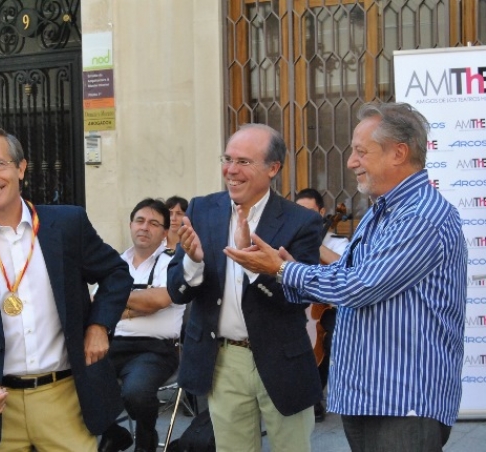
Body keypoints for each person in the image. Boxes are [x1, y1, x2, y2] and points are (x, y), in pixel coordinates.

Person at [224, 102, 467, 452]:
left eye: (360, 152)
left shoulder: (421, 216)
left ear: (398, 153)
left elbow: (360, 286)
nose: (351, 161)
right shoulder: (380, 212)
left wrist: (281, 269)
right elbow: (343, 272)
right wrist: (284, 266)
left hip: (404, 401)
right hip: (370, 396)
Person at [0, 126, 133, 452]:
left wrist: (99, 325)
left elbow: (116, 273)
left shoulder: (67, 225)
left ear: (20, 168)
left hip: (65, 399)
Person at [167, 124, 323, 452]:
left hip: (282, 358)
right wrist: (193, 262)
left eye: (244, 162)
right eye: (227, 159)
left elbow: (301, 298)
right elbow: (177, 291)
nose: (231, 170)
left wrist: (257, 268)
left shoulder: (301, 222)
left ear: (273, 168)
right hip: (224, 359)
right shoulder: (201, 209)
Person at [98, 198, 185, 452]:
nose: (145, 227)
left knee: (136, 391)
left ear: (165, 232)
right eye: (140, 221)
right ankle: (113, 433)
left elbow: (157, 301)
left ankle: (146, 437)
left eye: (154, 223)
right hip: (110, 343)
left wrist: (113, 299)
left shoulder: (172, 263)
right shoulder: (114, 264)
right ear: (130, 225)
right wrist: (137, 303)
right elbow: (94, 304)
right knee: (74, 379)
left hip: (155, 350)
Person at [295, 188, 350, 422]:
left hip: (326, 306)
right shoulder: (290, 241)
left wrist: (316, 246)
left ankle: (316, 394)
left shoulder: (339, 242)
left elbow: (346, 268)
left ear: (322, 212)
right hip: (296, 305)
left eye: (309, 212)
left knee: (330, 334)